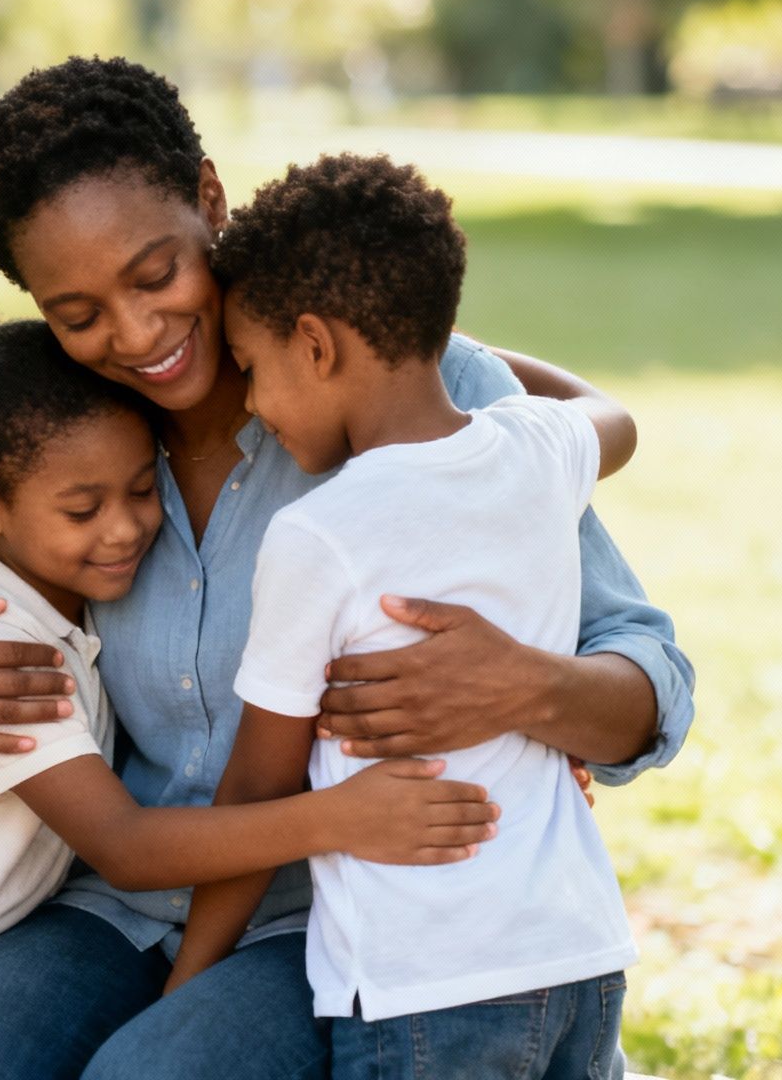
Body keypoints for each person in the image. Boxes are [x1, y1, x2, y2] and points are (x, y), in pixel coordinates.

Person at [0, 57, 695, 1080]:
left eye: (154, 273)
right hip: (107, 904)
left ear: (208, 199)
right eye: (77, 314)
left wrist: (533, 686)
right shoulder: (42, 431)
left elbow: (648, 684)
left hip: (333, 915)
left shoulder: (412, 397)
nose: (134, 335)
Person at [0, 302, 500, 1080]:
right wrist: (340, 818)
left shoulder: (61, 616)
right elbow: (124, 847)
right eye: (83, 509)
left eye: (139, 489)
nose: (125, 529)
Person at [170, 153, 640, 1080]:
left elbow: (257, 792)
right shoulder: (531, 451)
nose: (254, 409)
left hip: (424, 984)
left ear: (317, 344)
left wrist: (189, 978)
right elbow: (610, 414)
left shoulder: (319, 534)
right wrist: (426, 332)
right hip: (579, 957)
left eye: (253, 369)